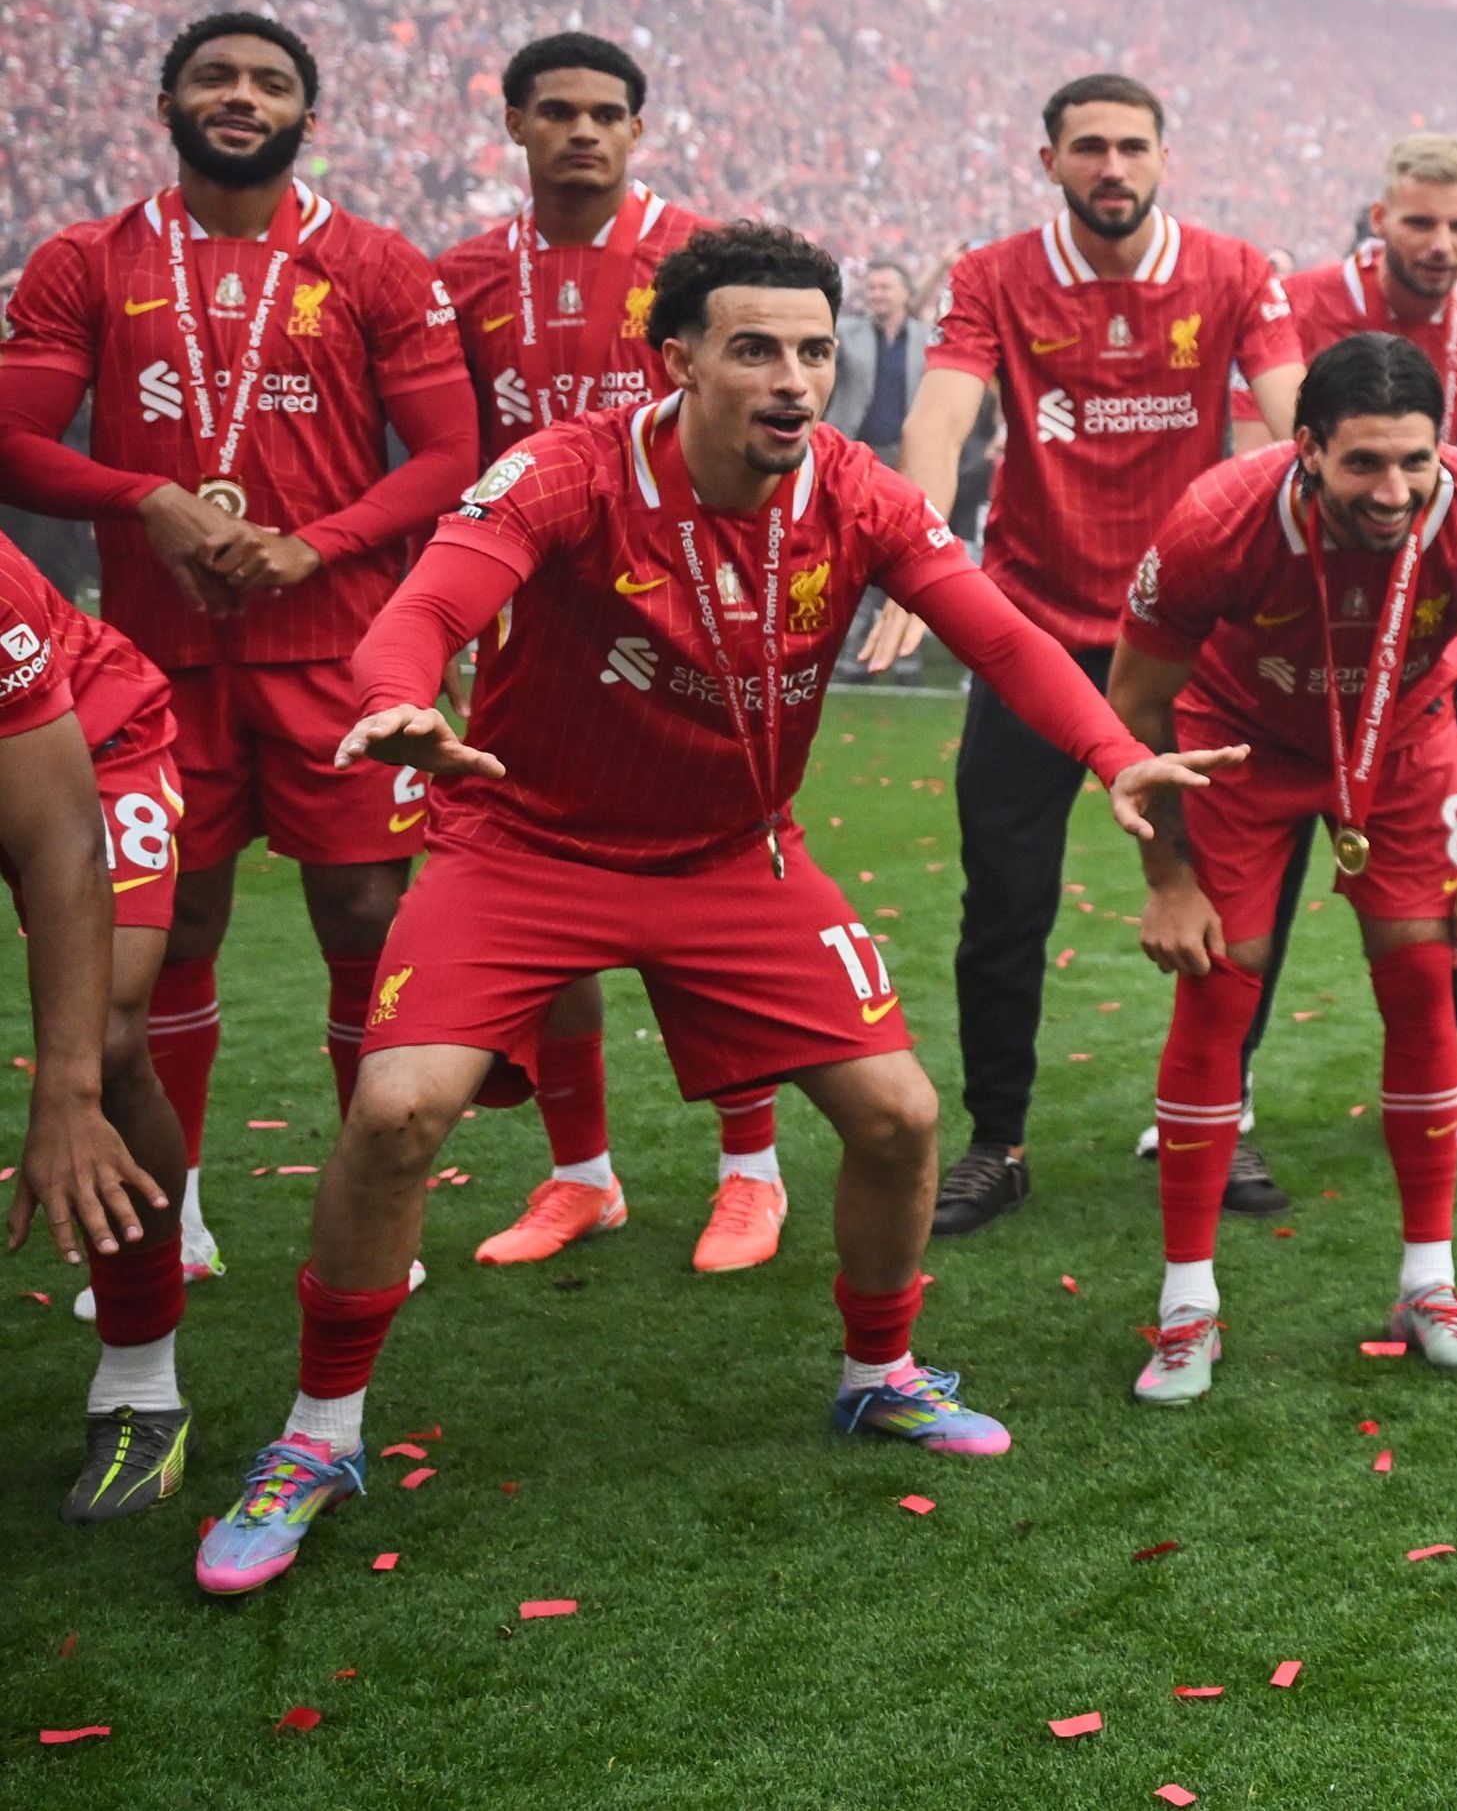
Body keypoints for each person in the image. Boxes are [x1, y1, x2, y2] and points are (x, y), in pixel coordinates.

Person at [202, 221, 1223, 1596]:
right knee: (395, 1111)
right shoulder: (567, 467)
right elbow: (436, 596)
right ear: (676, 358)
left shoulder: (855, 490)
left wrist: (1112, 747)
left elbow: (997, 630)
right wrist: (395, 690)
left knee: (903, 1117)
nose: (795, 376)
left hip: (736, 853)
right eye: (756, 347)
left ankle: (880, 1373)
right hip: (526, 843)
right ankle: (317, 1436)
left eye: (816, 348)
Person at [0, 11, 478, 1291]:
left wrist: (314, 545)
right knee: (176, 924)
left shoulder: (375, 262)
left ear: (306, 120)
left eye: (270, 82)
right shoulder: (84, 260)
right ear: (166, 100)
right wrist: (143, 497)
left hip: (335, 646)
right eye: (214, 75)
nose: (240, 95)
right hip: (160, 665)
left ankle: (367, 1186)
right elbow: (15, 437)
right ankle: (182, 1190)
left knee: (368, 915)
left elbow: (448, 456)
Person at [861, 74, 1303, 1235]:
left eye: (1133, 147)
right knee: (1003, 902)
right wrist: (914, 537)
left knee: (1229, 889)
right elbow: (942, 416)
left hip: (1187, 641)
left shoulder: (1236, 270)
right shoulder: (994, 273)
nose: (1113, 166)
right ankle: (998, 1140)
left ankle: (1216, 1111)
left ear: (1165, 157)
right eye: (1089, 147)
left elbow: (1289, 408)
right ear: (1048, 159)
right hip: (1031, 635)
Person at [1109, 333, 1457, 1404]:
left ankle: (1429, 1283)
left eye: (1416, 460)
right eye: (1364, 463)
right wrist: (1168, 879)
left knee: (1421, 985)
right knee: (1221, 994)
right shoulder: (1220, 520)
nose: (1394, 489)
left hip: (1401, 743)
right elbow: (1133, 704)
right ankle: (1186, 1306)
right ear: (1306, 448)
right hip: (1238, 746)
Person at [433, 31, 790, 1277]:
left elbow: (775, 424)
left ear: (640, 130)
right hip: (538, 631)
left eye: (607, 112)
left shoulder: (701, 261)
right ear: (516, 124)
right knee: (547, 895)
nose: (583, 131)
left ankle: (754, 1172)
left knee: (713, 887)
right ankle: (581, 1173)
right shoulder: (464, 275)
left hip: (694, 613)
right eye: (558, 111)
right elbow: (450, 457)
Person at [3, 537, 193, 1525]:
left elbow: (58, 836)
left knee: (112, 1040)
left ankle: (139, 1381)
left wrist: (64, 1093)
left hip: (88, 742)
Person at [1285, 132, 1457, 465]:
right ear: (1379, 219)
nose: (1442, 245)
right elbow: (1263, 463)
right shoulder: (1294, 309)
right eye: (1421, 224)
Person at [835, 260, 926, 457]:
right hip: (850, 449)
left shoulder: (925, 339)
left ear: (906, 293)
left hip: (904, 453)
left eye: (884, 288)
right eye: (871, 288)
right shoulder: (845, 333)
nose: (876, 294)